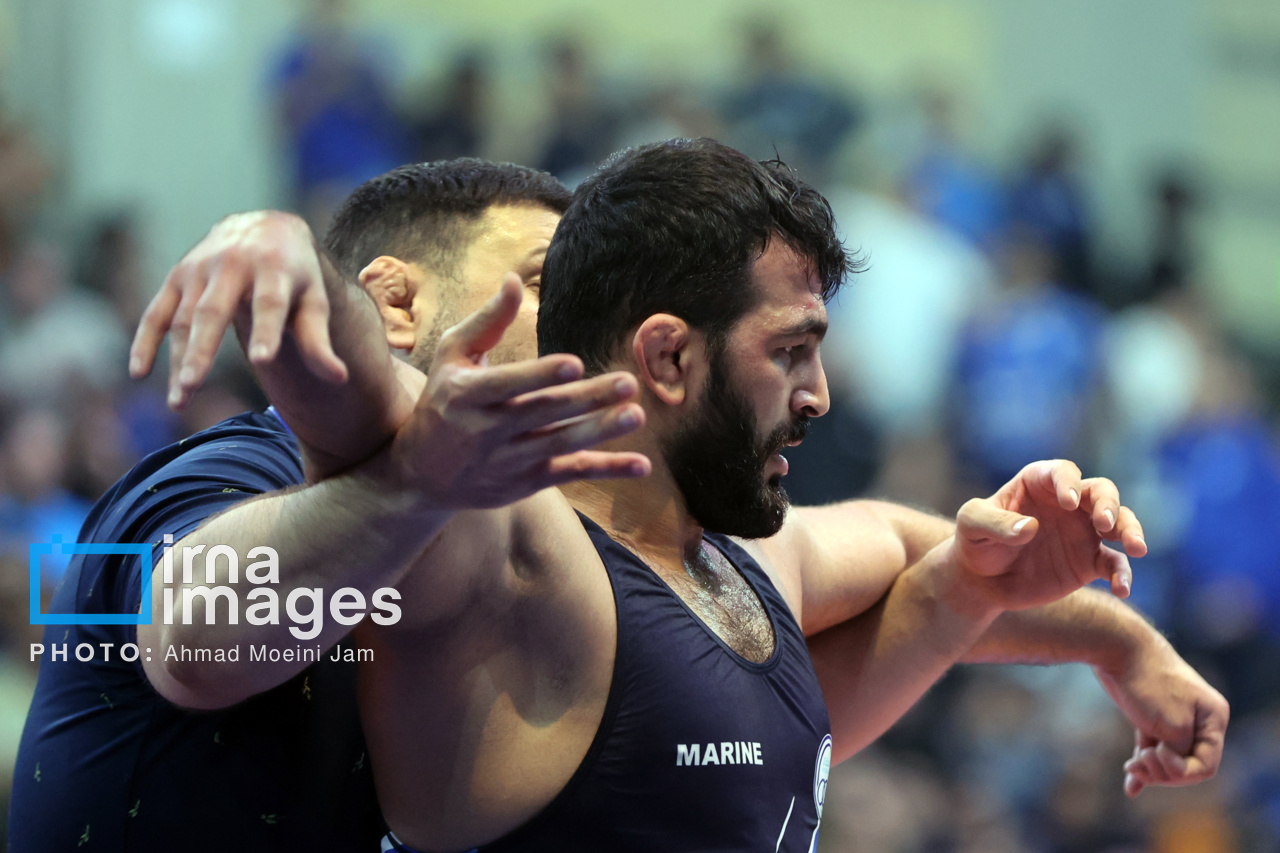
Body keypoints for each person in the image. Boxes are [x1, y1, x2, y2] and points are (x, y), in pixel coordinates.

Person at [128, 143, 1225, 852]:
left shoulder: (749, 559)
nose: (820, 395)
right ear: (666, 360)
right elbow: (189, 632)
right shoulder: (512, 550)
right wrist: (275, 251)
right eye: (790, 351)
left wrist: (1116, 641)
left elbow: (919, 560)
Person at [8, 161, 609, 853]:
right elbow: (194, 643)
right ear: (397, 305)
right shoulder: (221, 473)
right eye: (544, 283)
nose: (582, 324)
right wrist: (413, 487)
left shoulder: (534, 539)